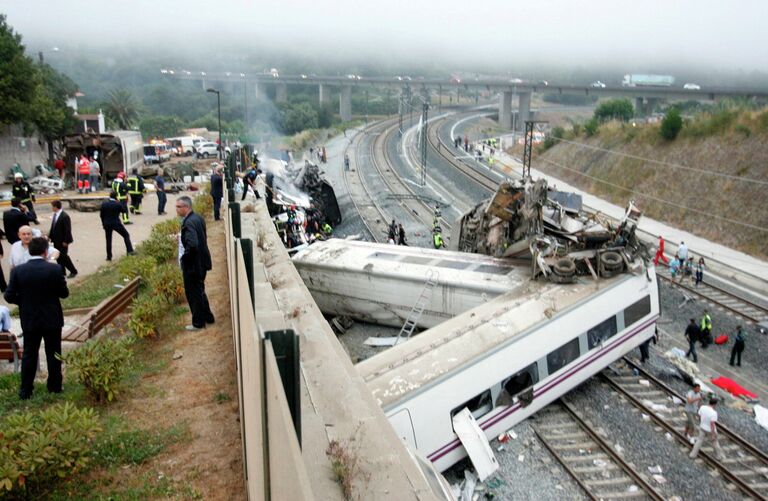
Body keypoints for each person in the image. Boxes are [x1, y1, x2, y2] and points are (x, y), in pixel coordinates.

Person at [4, 236, 69, 400]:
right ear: (46, 251)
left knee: (29, 354)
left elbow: (9, 295)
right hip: (52, 318)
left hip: (30, 318)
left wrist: (23, 302)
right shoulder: (54, 270)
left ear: (30, 251)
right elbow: (64, 293)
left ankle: (26, 390)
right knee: (53, 353)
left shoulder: (18, 271)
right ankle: (54, 386)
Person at [176, 196, 214, 331]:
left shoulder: (188, 223)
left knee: (194, 294)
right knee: (200, 290)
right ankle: (208, 317)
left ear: (186, 207)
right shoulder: (197, 218)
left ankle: (198, 323)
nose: (176, 209)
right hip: (202, 262)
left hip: (193, 265)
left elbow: (192, 244)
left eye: (179, 207)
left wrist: (185, 258)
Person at [100, 190, 134, 261]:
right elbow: (124, 211)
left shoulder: (104, 204)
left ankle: (109, 257)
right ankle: (130, 251)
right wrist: (121, 202)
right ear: (116, 197)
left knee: (108, 239)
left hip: (107, 224)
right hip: (116, 223)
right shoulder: (117, 204)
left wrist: (103, 223)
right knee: (126, 235)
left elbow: (101, 215)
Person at [48, 200, 78, 278]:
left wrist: (66, 241)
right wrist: (49, 236)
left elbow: (68, 230)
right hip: (56, 240)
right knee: (58, 257)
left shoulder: (64, 216)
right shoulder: (55, 215)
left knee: (64, 257)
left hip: (63, 241)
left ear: (55, 207)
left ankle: (73, 271)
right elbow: (53, 227)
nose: (52, 208)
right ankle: (62, 271)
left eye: (52, 206)